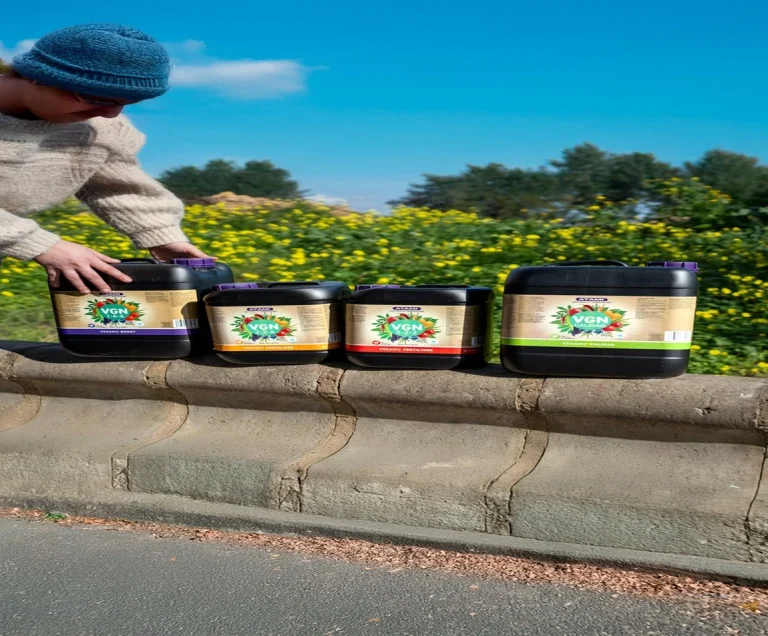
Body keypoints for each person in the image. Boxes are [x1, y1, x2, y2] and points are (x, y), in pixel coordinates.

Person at [0, 23, 210, 294]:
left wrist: (162, 237)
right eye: (93, 97)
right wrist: (43, 245)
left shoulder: (101, 131)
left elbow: (120, 186)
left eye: (126, 102)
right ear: (38, 75)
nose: (110, 114)